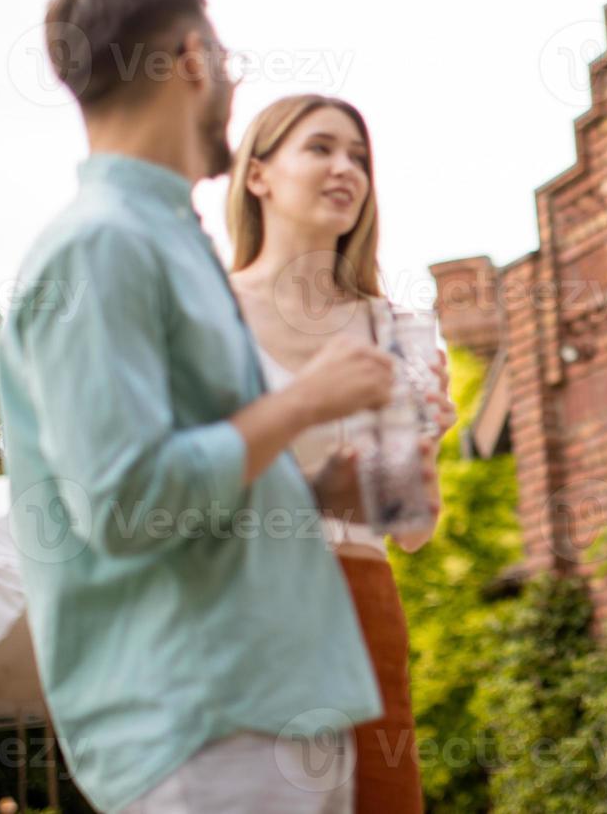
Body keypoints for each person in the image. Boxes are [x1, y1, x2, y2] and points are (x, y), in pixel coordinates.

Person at [0, 0, 389, 813]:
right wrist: (305, 402)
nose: (234, 84)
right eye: (228, 61)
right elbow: (127, 500)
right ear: (193, 59)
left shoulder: (167, 237)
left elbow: (194, 474)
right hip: (204, 732)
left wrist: (317, 485)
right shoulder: (100, 247)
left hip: (271, 711)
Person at [227, 94, 454, 814]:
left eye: (358, 156)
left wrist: (429, 440)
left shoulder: (391, 326)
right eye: (320, 148)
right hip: (240, 597)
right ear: (258, 175)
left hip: (361, 596)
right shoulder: (208, 310)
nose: (346, 168)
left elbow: (410, 531)